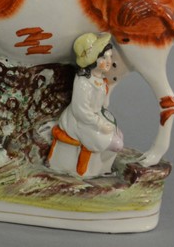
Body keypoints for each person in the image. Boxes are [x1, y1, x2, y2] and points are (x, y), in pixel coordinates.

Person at [52, 32, 124, 176]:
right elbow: (80, 111)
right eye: (103, 57)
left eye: (110, 56)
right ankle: (86, 171)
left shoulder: (100, 78)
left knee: (119, 135)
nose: (109, 61)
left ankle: (103, 169)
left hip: (93, 118)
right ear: (92, 60)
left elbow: (100, 105)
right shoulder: (84, 82)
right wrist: (100, 124)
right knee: (116, 144)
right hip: (80, 121)